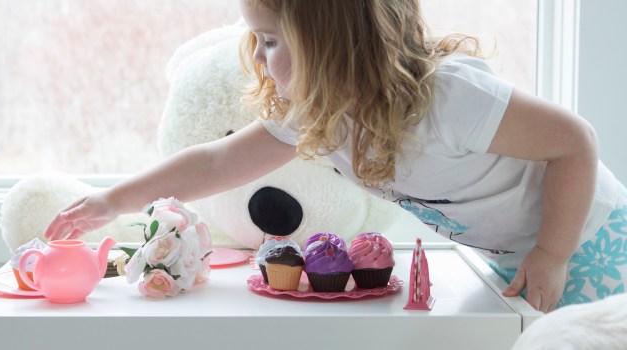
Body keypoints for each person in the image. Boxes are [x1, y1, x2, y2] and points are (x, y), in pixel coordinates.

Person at [44, 0, 626, 312]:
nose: (256, 54)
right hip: (513, 257)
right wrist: (111, 200)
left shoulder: (446, 98)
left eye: (270, 40)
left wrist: (554, 251)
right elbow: (217, 163)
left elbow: (573, 143)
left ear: (330, 44)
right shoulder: (319, 116)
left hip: (592, 239)